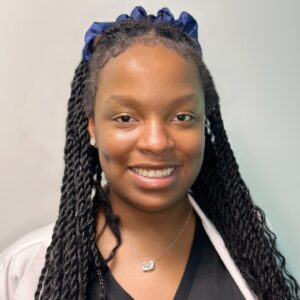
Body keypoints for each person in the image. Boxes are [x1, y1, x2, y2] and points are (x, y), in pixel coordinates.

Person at [0, 6, 299, 300]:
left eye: (181, 116)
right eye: (126, 118)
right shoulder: (25, 267)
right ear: (92, 127)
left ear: (204, 124)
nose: (156, 143)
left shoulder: (249, 246)